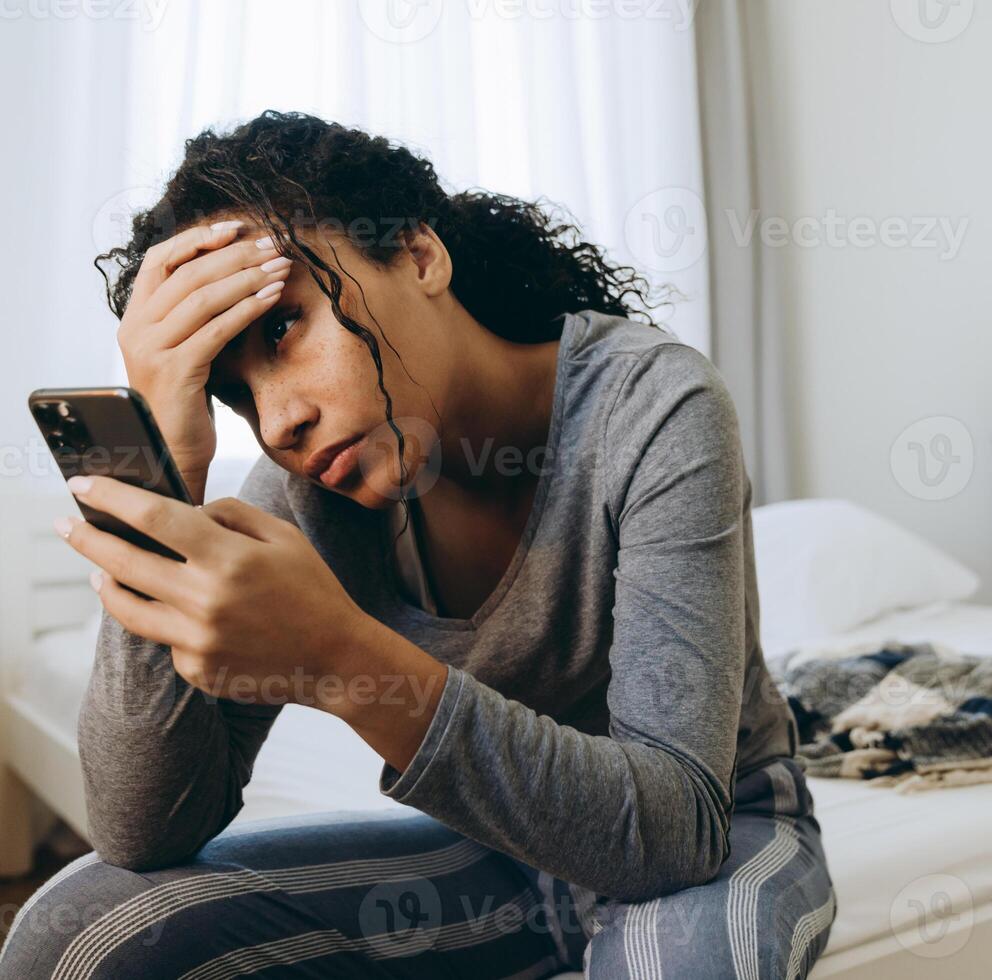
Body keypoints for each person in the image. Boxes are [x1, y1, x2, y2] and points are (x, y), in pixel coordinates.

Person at [0, 111, 836, 979]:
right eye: (236, 397)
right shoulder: (307, 494)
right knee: (78, 929)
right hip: (498, 855)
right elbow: (144, 829)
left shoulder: (653, 407)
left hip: (717, 832)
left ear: (419, 255)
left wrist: (337, 658)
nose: (280, 420)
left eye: (284, 330)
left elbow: (674, 833)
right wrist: (157, 489)